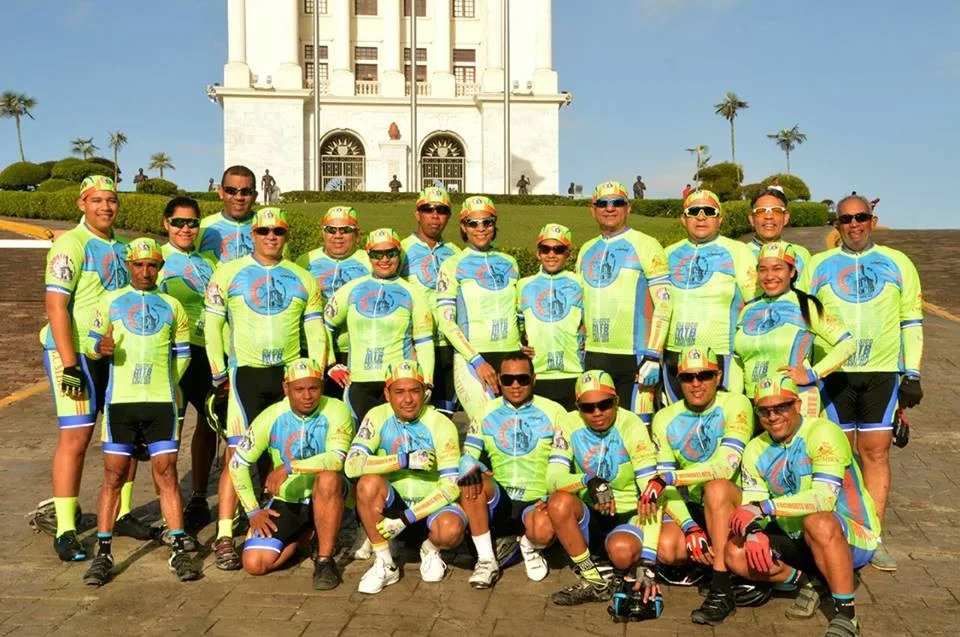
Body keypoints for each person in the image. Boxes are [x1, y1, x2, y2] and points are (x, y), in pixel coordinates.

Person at [801, 194, 923, 572]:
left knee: (875, 455)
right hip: (832, 374)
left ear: (873, 220)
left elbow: (911, 321)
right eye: (846, 219)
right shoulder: (817, 266)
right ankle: (837, 531)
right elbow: (802, 322)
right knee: (835, 455)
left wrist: (913, 373)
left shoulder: (898, 263)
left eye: (861, 217)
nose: (854, 225)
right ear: (836, 225)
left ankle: (873, 536)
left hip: (882, 372)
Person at [204, 207, 327, 570]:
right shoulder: (227, 273)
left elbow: (316, 331)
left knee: (282, 453)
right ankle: (224, 533)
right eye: (263, 231)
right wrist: (217, 373)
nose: (271, 237)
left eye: (278, 231)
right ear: (252, 235)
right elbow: (212, 327)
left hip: (286, 375)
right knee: (236, 456)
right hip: (246, 376)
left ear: (286, 235)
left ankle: (284, 522)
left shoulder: (303, 277)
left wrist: (315, 372)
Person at [37, 175, 150, 562]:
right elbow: (55, 306)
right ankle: (66, 528)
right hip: (75, 354)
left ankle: (123, 513)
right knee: (78, 436)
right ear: (81, 203)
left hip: (114, 355)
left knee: (125, 433)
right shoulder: (71, 244)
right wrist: (70, 363)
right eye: (96, 200)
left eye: (112, 200)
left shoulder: (122, 247)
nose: (105, 207)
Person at [81, 238, 200, 586]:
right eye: (138, 265)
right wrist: (98, 347)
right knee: (113, 477)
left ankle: (178, 547)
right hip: (121, 402)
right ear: (129, 266)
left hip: (161, 403)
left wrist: (166, 385)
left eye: (152, 266)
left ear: (160, 268)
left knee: (167, 473)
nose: (145, 271)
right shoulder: (111, 301)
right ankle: (103, 553)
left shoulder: (173, 306)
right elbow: (90, 342)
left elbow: (184, 355)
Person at [726, 376, 881, 637]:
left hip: (850, 534)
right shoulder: (755, 448)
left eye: (780, 408)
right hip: (796, 537)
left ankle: (846, 615)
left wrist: (765, 507)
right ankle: (810, 581)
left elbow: (823, 498)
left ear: (797, 405)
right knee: (734, 551)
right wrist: (753, 531)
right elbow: (754, 504)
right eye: (764, 410)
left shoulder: (823, 432)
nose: (772, 416)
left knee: (817, 521)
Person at [640, 348, 753, 626]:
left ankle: (721, 588)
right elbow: (663, 487)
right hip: (697, 506)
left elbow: (726, 466)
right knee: (666, 548)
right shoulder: (665, 417)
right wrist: (690, 526)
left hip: (735, 503)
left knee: (715, 487)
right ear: (679, 380)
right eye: (688, 377)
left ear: (719, 375)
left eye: (704, 375)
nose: (696, 383)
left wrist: (672, 478)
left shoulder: (736, 404)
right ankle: (722, 563)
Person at [228, 358, 354, 589]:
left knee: (327, 478)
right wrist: (253, 511)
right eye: (299, 389)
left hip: (329, 494)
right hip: (288, 499)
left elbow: (337, 459)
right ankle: (304, 534)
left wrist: (289, 467)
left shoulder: (337, 409)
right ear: (286, 389)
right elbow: (237, 463)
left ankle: (325, 561)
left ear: (322, 387)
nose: (307, 396)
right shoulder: (271, 415)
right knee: (255, 564)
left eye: (313, 388)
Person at [345, 360, 465, 594]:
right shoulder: (376, 416)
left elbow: (452, 487)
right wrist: (403, 460)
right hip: (392, 508)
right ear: (387, 393)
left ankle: (430, 549)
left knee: (451, 530)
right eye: (399, 392)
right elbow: (351, 465)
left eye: (414, 391)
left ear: (425, 392)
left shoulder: (441, 424)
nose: (407, 399)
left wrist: (407, 518)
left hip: (428, 510)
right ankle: (385, 563)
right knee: (367, 483)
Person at [545, 371, 663, 609]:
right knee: (558, 502)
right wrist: (588, 480)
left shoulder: (632, 424)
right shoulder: (568, 422)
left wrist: (649, 559)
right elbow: (552, 479)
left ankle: (623, 566)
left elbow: (651, 490)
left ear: (617, 401)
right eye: (588, 407)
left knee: (621, 551)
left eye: (604, 404)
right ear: (578, 407)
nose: (597, 412)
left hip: (627, 514)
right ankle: (594, 580)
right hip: (590, 514)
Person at [460, 352, 567, 588]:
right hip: (502, 500)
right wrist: (474, 468)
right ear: (498, 379)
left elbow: (563, 463)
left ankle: (528, 546)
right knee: (470, 479)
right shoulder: (485, 410)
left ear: (534, 379)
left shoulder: (555, 411)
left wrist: (552, 495)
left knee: (544, 531)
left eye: (522, 379)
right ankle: (487, 561)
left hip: (536, 501)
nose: (515, 385)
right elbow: (468, 457)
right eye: (508, 379)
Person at [576, 181, 672, 424]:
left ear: (628, 208)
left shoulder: (646, 244)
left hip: (636, 357)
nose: (610, 208)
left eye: (617, 203)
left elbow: (664, 304)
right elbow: (579, 307)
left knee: (639, 429)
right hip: (595, 355)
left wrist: (652, 355)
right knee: (598, 429)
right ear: (592, 209)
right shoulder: (586, 249)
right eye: (603, 203)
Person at [324, 228, 434, 425]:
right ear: (368, 255)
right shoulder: (351, 289)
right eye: (377, 254)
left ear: (398, 254)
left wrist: (427, 382)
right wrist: (331, 364)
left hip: (398, 382)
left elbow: (424, 341)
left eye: (390, 253)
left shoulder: (413, 293)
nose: (384, 259)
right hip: (358, 382)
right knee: (359, 445)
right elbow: (324, 324)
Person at [735, 242, 856, 418]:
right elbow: (739, 360)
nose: (769, 276)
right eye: (763, 269)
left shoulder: (806, 305)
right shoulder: (748, 310)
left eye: (777, 268)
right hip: (755, 401)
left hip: (795, 399)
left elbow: (848, 344)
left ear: (791, 272)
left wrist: (812, 374)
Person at [157, 197, 219, 534]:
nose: (185, 228)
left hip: (205, 351)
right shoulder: (157, 258)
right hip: (171, 353)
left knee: (209, 423)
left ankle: (197, 495)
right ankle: (170, 512)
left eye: (192, 223)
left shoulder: (209, 261)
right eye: (179, 222)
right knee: (171, 431)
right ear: (166, 223)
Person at [663, 189, 756, 402]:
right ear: (683, 219)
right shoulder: (667, 254)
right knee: (680, 426)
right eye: (694, 211)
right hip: (673, 355)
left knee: (723, 424)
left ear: (720, 219)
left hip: (722, 354)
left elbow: (755, 305)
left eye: (709, 211)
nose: (701, 216)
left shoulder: (738, 251)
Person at [436, 196, 521, 420]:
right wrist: (477, 360)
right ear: (463, 226)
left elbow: (519, 311)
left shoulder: (509, 262)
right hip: (472, 357)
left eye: (487, 222)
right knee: (488, 426)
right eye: (473, 223)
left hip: (511, 356)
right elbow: (445, 321)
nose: (481, 228)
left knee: (513, 428)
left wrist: (525, 343)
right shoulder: (452, 264)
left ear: (494, 224)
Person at [296, 206, 371, 401]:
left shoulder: (370, 261)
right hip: (312, 349)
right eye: (331, 229)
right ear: (322, 231)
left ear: (357, 233)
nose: (337, 235)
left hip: (355, 351)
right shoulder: (305, 261)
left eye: (345, 230)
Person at [400, 187, 461, 416]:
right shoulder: (402, 249)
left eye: (442, 210)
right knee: (412, 415)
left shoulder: (456, 253)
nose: (435, 216)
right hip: (414, 345)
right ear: (417, 214)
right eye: (428, 209)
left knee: (445, 416)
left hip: (447, 345)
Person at [517, 223, 584, 409]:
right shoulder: (524, 285)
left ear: (568, 254)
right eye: (545, 249)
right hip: (538, 372)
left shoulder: (579, 282)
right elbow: (518, 326)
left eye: (558, 249)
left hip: (574, 371)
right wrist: (520, 345)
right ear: (538, 253)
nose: (551, 254)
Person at [746, 187, 813, 283]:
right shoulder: (738, 254)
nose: (769, 216)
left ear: (785, 218)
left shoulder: (801, 255)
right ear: (752, 219)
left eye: (776, 211)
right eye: (760, 211)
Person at [197, 165, 258, 264]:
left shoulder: (269, 229)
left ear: (255, 196)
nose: (239, 197)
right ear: (221, 192)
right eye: (231, 191)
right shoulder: (203, 226)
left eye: (246, 191)